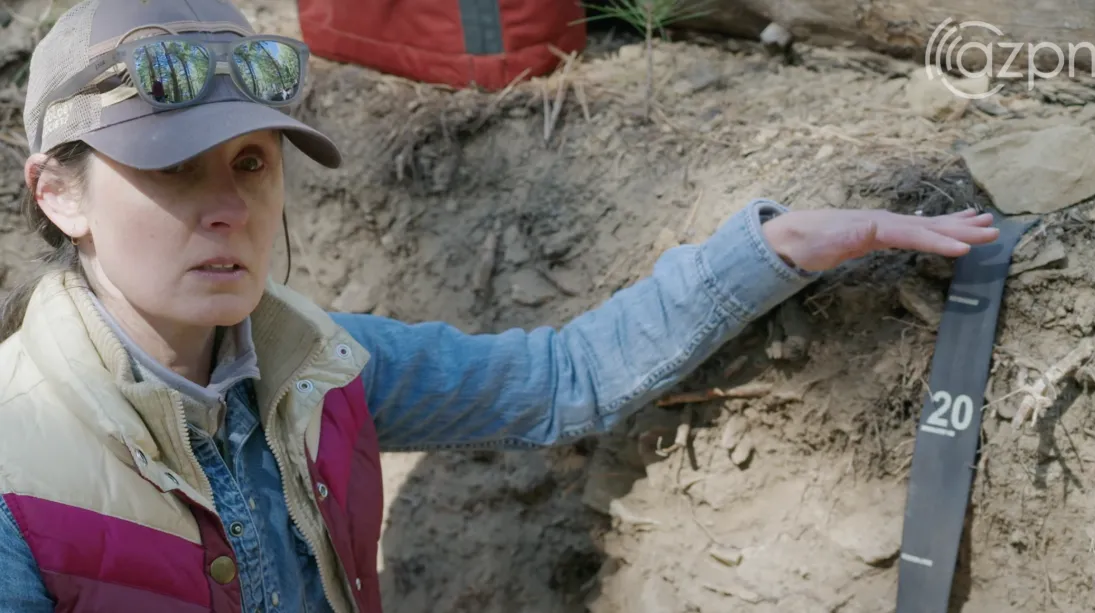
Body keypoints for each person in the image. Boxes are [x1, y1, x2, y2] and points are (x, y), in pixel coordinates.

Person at [0, 0, 1000, 611]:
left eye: (252, 161)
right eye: (171, 166)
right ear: (58, 192)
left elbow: (559, 380)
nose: (228, 208)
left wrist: (771, 247)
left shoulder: (326, 368)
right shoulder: (15, 475)